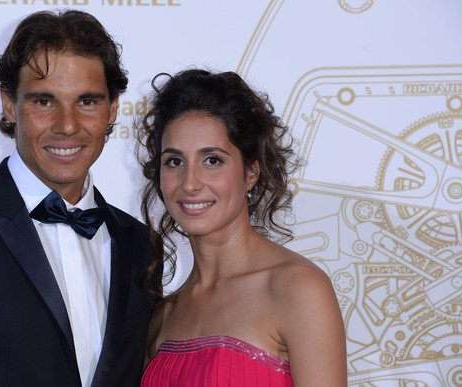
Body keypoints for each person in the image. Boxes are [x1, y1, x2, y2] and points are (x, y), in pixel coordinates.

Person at [0, 9, 157, 387]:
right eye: (44, 102)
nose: (67, 125)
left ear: (113, 107)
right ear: (9, 104)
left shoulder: (141, 245)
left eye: (87, 101)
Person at [136, 69, 347, 386]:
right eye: (175, 161)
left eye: (212, 161)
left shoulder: (297, 289)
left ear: (251, 171)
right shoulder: (165, 313)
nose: (190, 183)